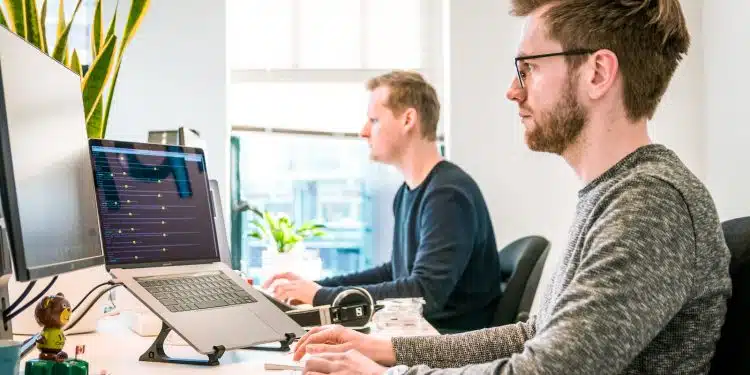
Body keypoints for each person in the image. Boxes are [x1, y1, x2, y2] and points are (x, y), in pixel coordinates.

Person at [291, 0, 733, 374]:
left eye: (528, 69)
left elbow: (544, 371)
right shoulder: (615, 193)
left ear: (597, 73)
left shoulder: (650, 204)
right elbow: (535, 335)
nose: (512, 90)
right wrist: (387, 350)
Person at [262, 70, 504, 332]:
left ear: (408, 119)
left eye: (374, 120)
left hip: (446, 346)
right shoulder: (408, 193)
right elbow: (395, 272)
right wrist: (319, 287)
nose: (364, 131)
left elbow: (423, 295)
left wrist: (321, 297)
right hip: (418, 334)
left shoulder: (448, 196)